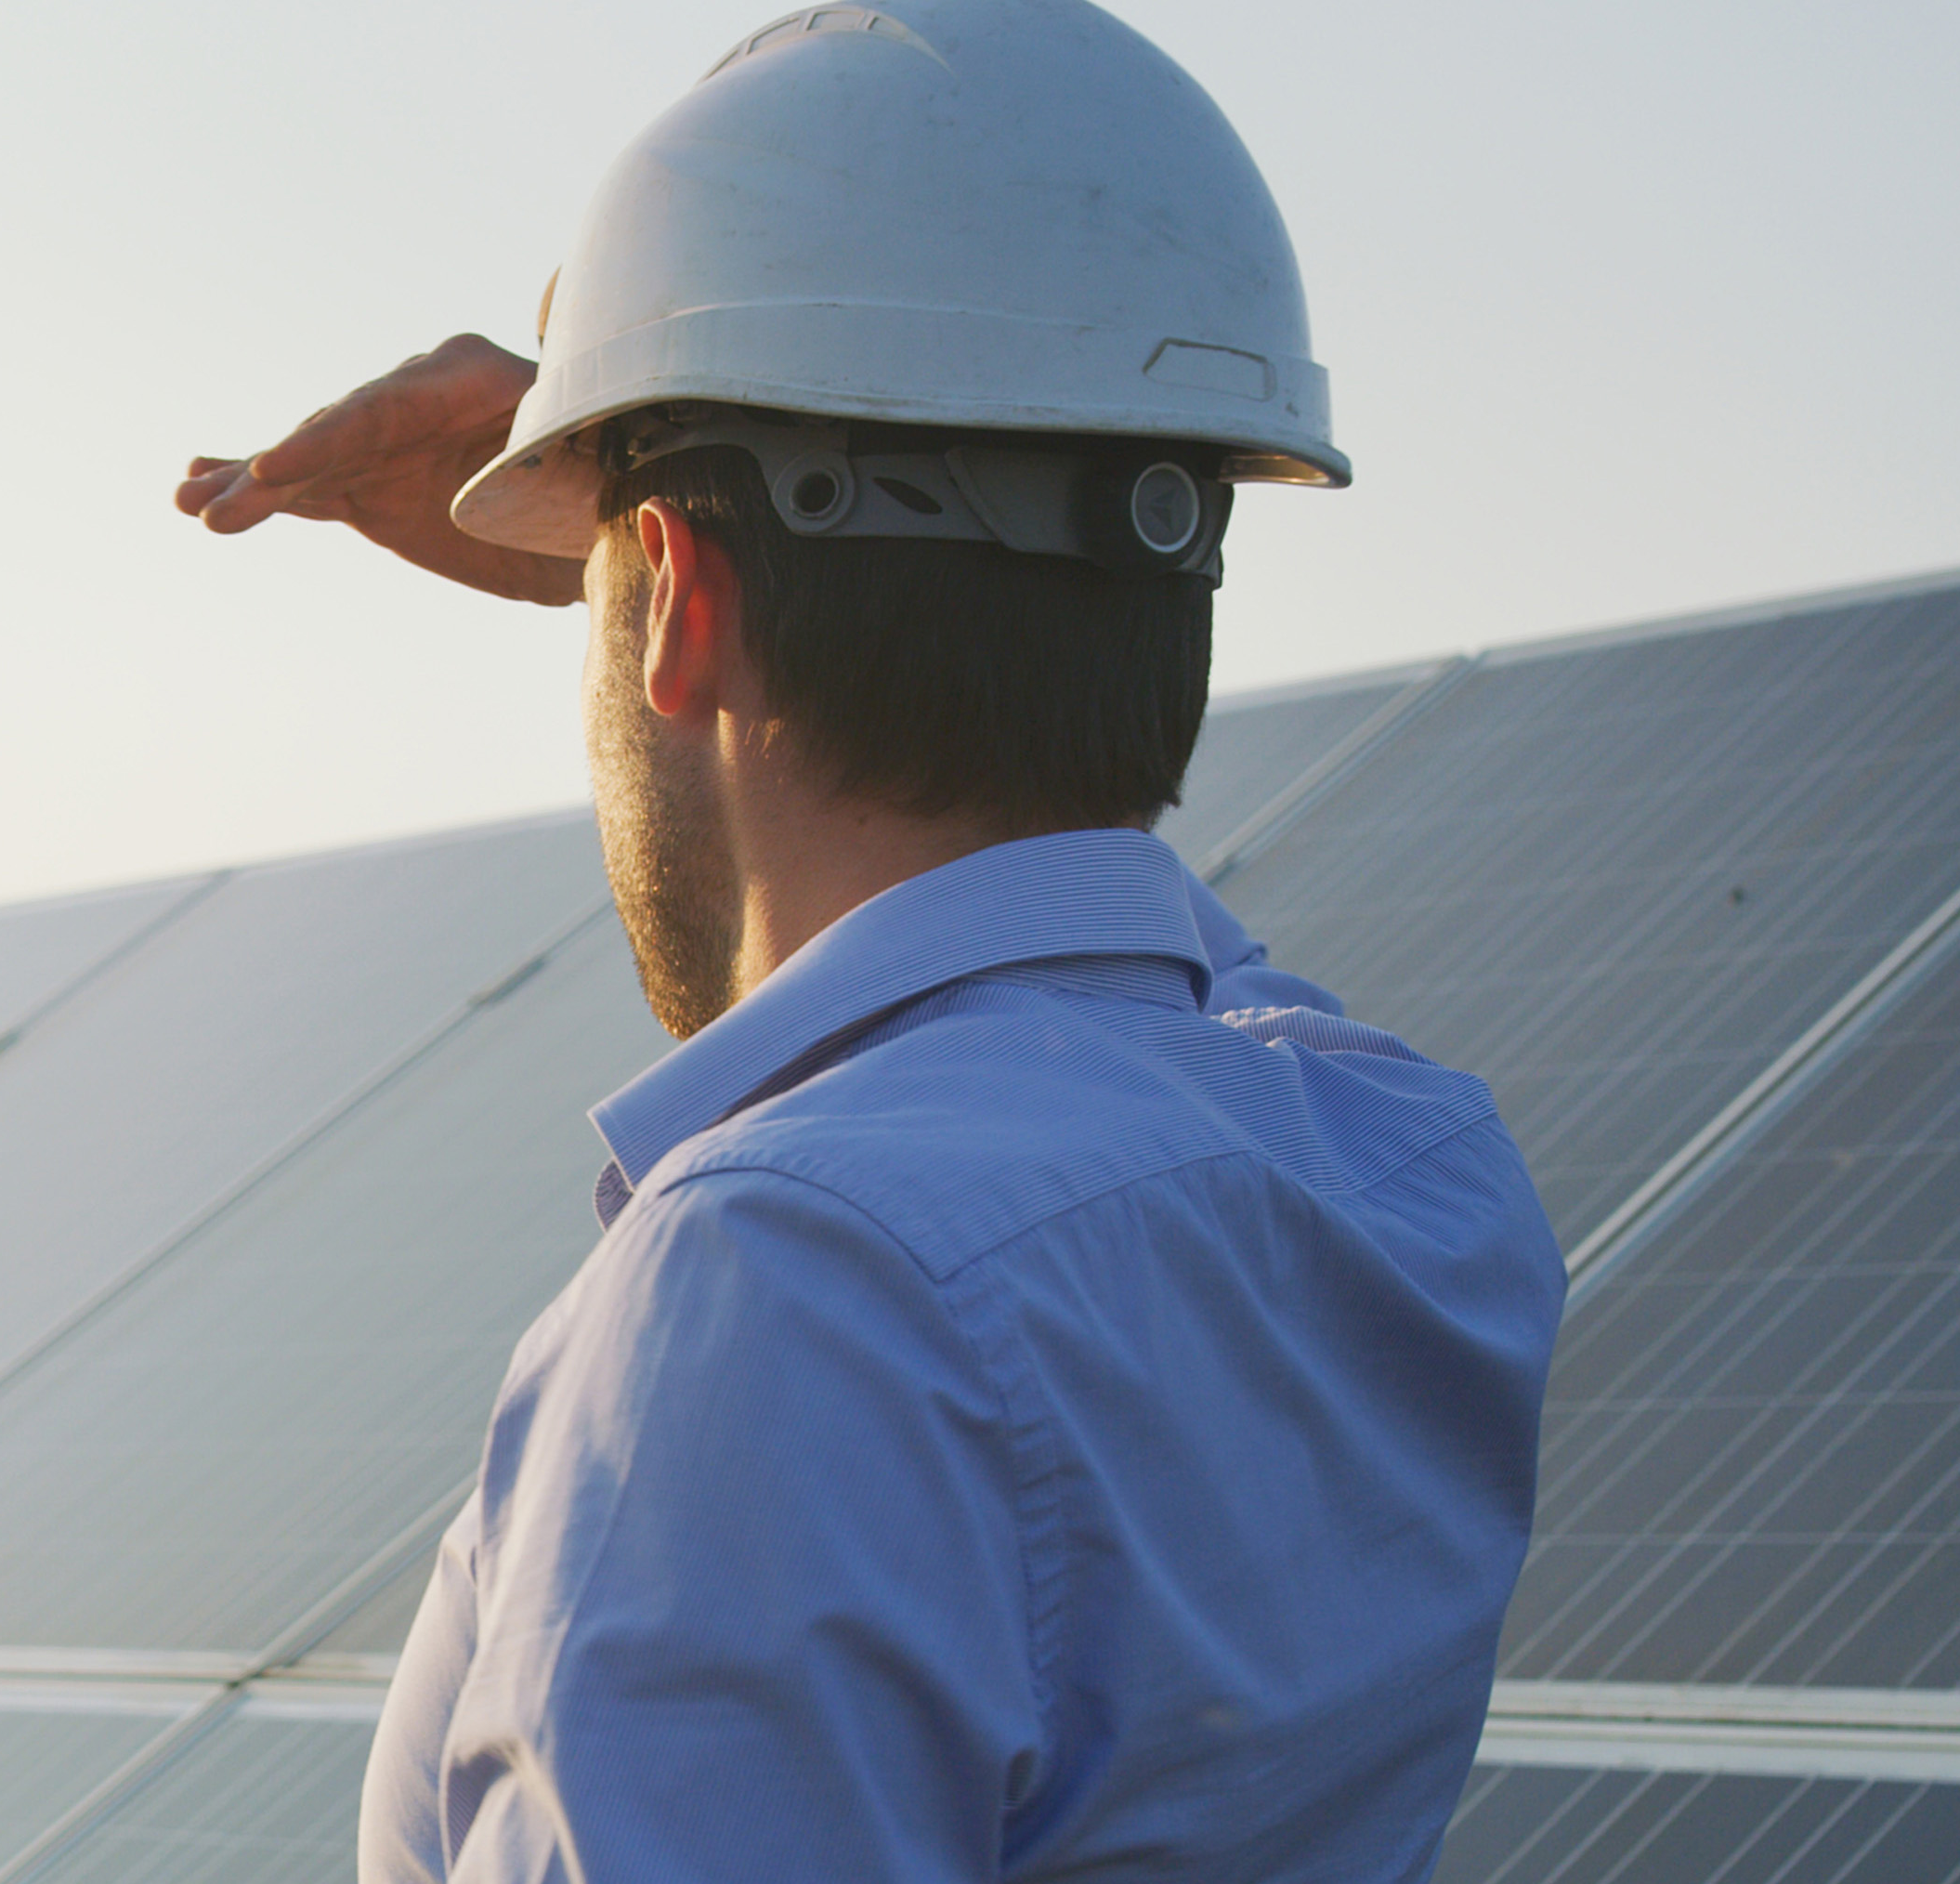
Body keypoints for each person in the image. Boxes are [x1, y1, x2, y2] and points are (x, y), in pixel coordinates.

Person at [172, 5, 1561, 1878]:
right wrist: (666, 513)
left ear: (678, 599)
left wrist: (662, 508)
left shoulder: (785, 1290)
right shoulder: (1412, 1172)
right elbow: (1105, 948)